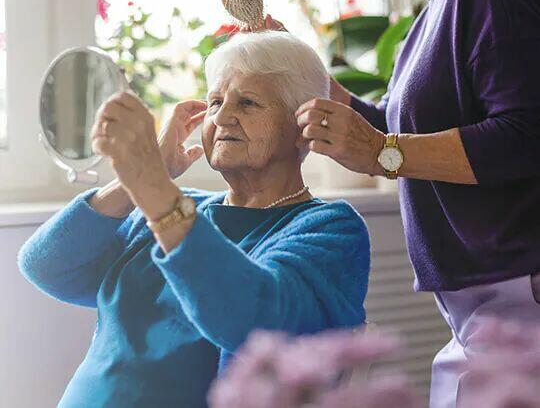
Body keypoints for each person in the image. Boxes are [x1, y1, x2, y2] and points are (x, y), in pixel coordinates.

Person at [266, 0, 539, 407]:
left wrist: (380, 154)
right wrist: (297, 69)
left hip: (520, 290)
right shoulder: (434, 8)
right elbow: (393, 128)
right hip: (483, 300)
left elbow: (526, 134)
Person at [18, 31, 370, 408]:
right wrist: (137, 181)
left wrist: (154, 189)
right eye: (215, 101)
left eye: (248, 103)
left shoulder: (328, 227)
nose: (223, 116)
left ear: (303, 127)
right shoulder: (173, 207)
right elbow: (46, 266)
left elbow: (252, 321)